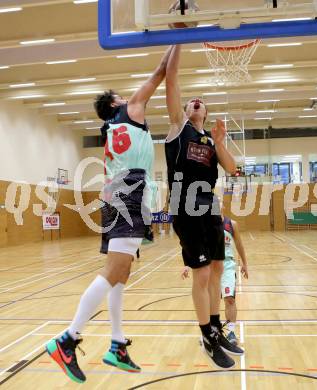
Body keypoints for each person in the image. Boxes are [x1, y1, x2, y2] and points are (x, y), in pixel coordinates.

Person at [45, 46, 173, 383]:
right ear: (117, 103)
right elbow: (161, 70)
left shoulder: (112, 128)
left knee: (121, 272)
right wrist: (179, 34)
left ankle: (116, 345)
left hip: (121, 192)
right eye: (121, 94)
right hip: (127, 192)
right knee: (115, 269)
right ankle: (67, 340)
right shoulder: (130, 110)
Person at [165, 44, 244, 370]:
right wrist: (179, 40)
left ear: (206, 113)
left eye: (201, 102)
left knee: (214, 272)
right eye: (191, 101)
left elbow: (232, 168)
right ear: (185, 110)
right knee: (200, 274)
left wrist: (221, 142)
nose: (196, 101)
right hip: (186, 207)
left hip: (210, 208)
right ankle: (206, 337)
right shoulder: (177, 128)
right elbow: (171, 77)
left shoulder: (210, 143)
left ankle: (216, 328)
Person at [181, 216, 249, 345]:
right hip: (209, 265)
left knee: (230, 298)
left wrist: (245, 263)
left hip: (227, 265)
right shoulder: (204, 223)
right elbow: (195, 246)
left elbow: (240, 245)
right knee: (210, 302)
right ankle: (209, 333)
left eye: (219, 201)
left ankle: (230, 332)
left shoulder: (231, 224)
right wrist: (187, 265)